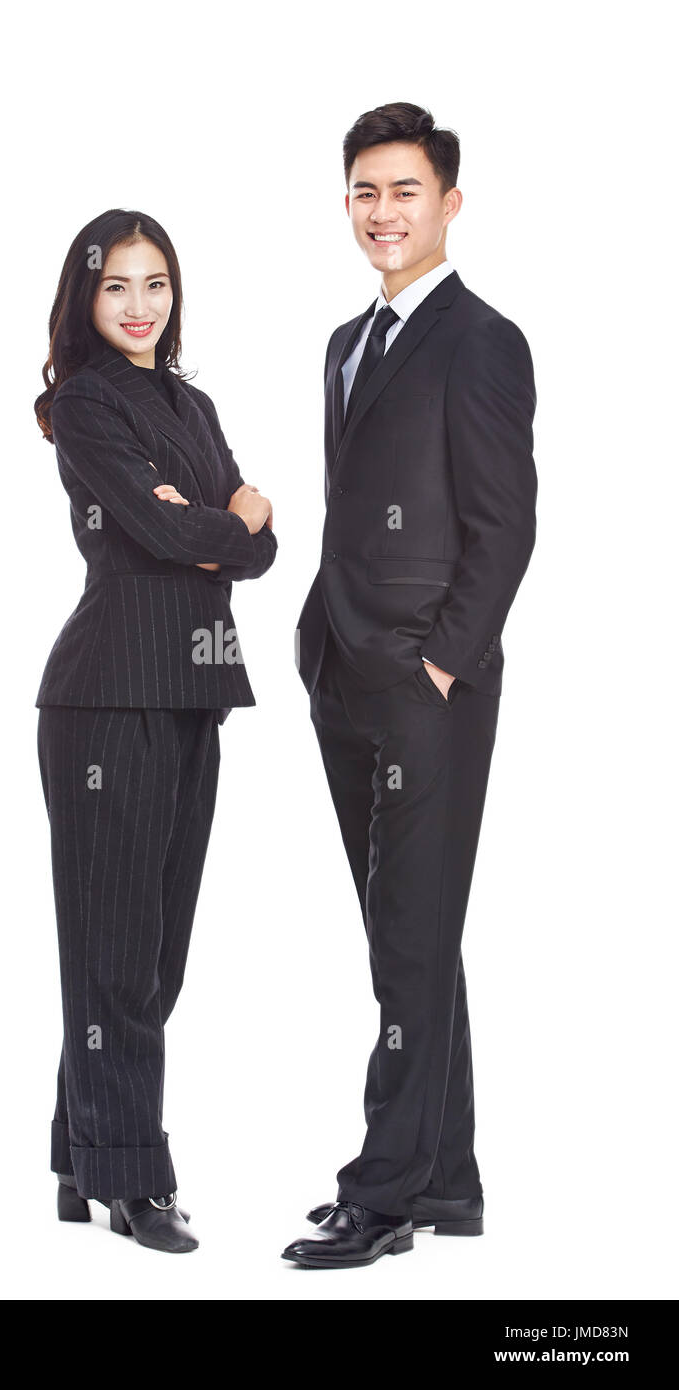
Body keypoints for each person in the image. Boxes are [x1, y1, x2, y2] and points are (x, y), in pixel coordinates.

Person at [283, 103, 537, 1269]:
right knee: (413, 936)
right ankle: (446, 1177)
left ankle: (381, 1193)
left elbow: (503, 524)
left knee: (407, 939)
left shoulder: (480, 340)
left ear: (447, 202)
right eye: (363, 193)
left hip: (428, 687)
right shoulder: (346, 341)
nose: (382, 213)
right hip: (342, 670)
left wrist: (442, 659)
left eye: (403, 191)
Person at [33, 209, 276, 1254]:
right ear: (84, 301)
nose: (138, 306)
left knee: (150, 953)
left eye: (155, 285)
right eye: (115, 287)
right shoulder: (82, 404)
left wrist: (226, 523)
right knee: (117, 953)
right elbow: (167, 529)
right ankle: (133, 1179)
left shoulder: (193, 401)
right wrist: (225, 517)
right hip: (106, 698)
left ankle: (76, 1154)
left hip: (194, 690)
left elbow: (257, 551)